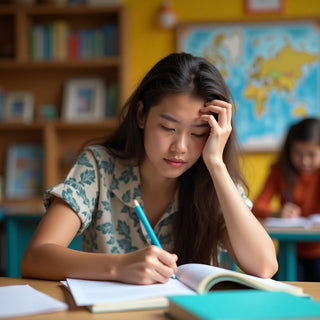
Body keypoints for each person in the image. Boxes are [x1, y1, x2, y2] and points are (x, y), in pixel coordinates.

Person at [21, 52, 277, 284]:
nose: (181, 147)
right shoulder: (98, 167)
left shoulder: (212, 182)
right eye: (168, 128)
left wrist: (217, 165)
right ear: (141, 115)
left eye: (198, 133)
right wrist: (118, 267)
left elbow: (264, 266)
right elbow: (36, 257)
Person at [252, 117, 320, 281]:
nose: (304, 161)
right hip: (289, 251)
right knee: (282, 288)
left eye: (312, 154)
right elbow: (256, 207)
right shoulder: (279, 171)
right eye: (298, 153)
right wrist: (277, 213)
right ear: (288, 149)